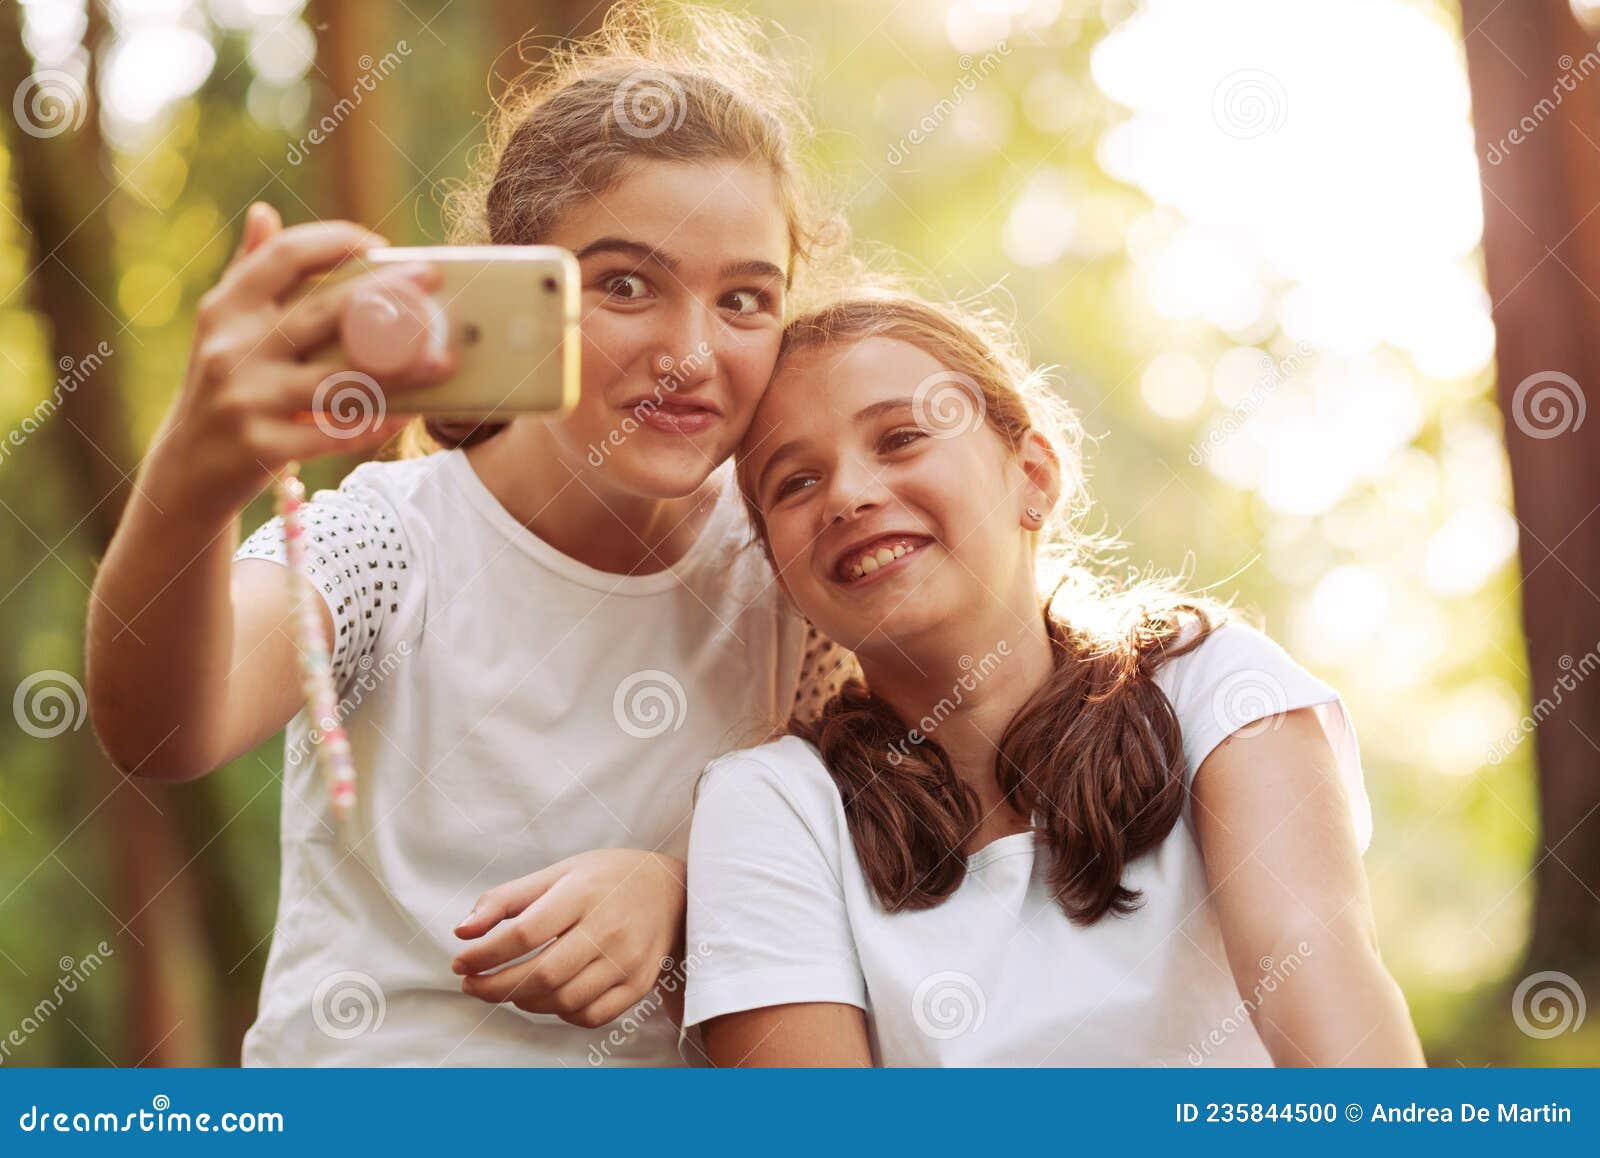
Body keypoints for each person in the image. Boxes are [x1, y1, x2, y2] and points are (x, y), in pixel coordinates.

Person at [86, 3, 852, 1066]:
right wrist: (198, 472)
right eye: (625, 285)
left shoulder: (792, 576)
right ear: (516, 292)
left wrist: (684, 892)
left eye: (745, 300)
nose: (689, 352)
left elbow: (877, 844)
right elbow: (163, 729)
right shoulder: (393, 539)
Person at [683, 292, 1425, 1066]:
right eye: (794, 483)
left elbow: (1315, 973)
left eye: (900, 438)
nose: (848, 495)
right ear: (780, 571)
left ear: (1033, 476)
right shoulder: (771, 806)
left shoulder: (1211, 685)